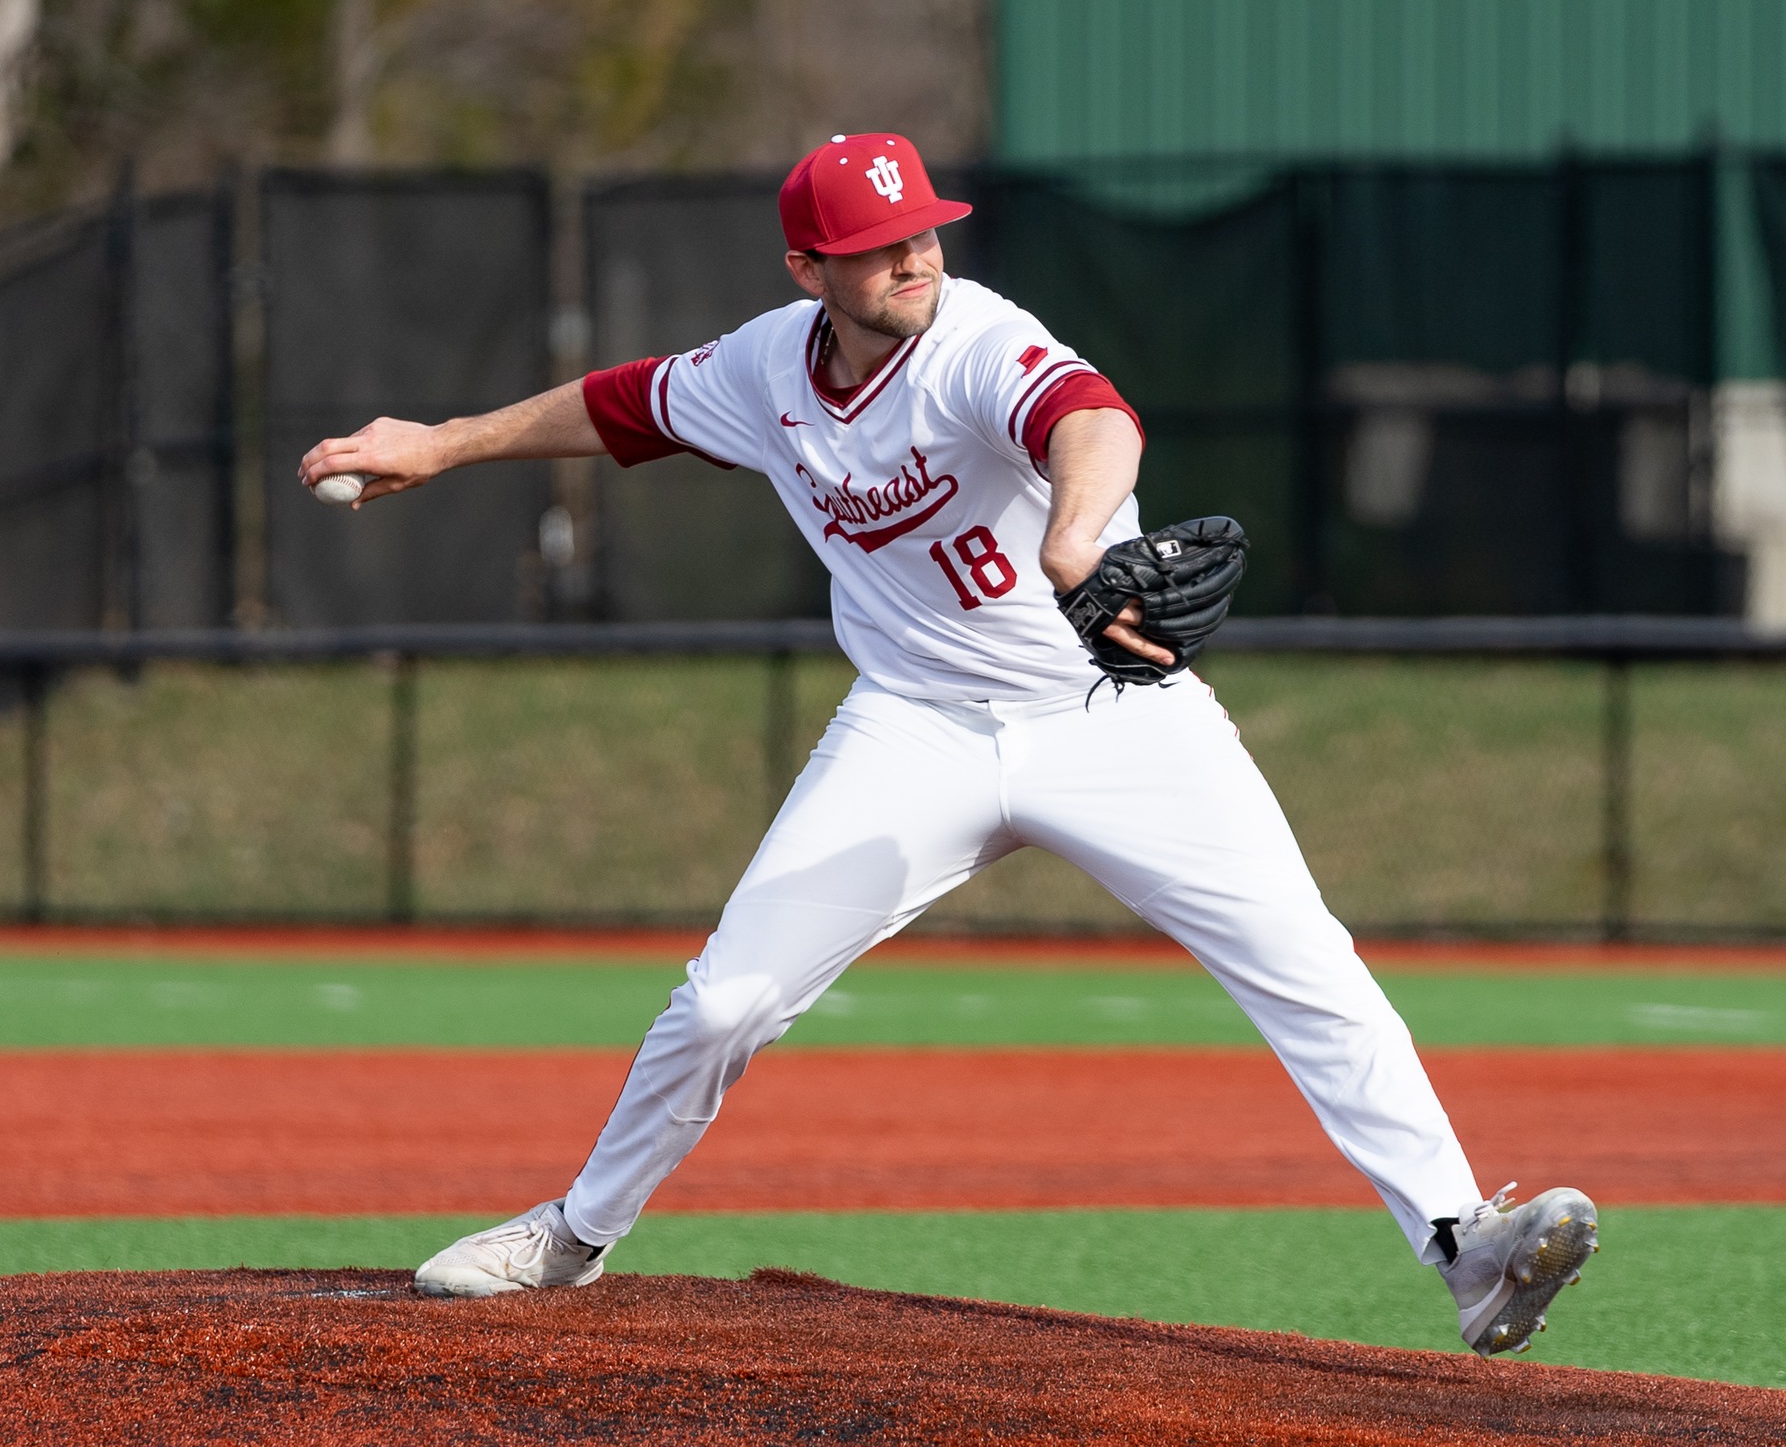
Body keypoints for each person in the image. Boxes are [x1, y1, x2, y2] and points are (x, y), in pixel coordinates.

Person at [298, 132, 1598, 1357]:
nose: (913, 256)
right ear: (809, 270)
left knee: (1305, 963)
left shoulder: (977, 340)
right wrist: (443, 444)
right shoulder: (768, 369)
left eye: (923, 230)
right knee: (725, 1003)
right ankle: (575, 1238)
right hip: (912, 729)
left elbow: (1094, 420)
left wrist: (1080, 538)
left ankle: (1466, 1247)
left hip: (1109, 715)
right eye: (877, 244)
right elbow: (624, 404)